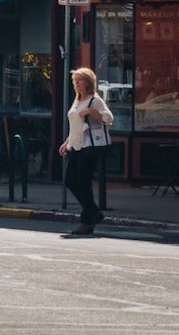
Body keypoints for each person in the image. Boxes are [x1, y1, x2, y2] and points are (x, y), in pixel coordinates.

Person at [58, 66, 114, 237]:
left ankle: (87, 220)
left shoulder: (94, 100)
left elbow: (108, 118)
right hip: (75, 145)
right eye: (75, 81)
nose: (77, 84)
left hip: (89, 147)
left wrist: (91, 111)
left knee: (83, 182)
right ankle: (93, 212)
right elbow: (76, 125)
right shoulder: (77, 100)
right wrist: (67, 142)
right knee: (70, 180)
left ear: (88, 82)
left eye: (80, 80)